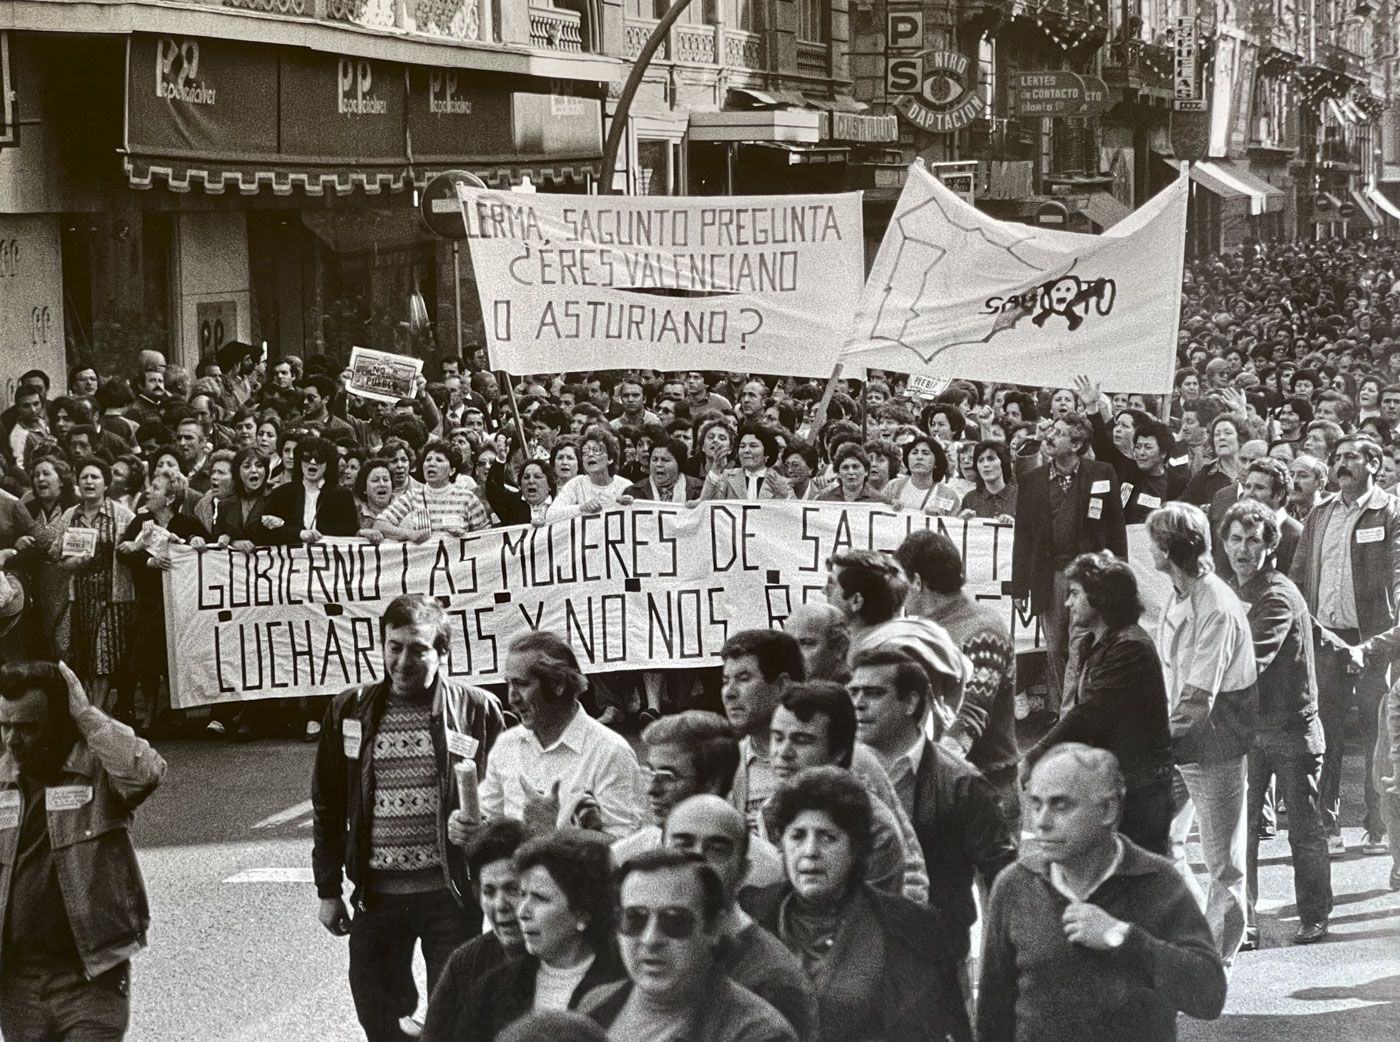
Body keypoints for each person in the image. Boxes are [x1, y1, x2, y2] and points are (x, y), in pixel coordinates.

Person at [311, 594, 506, 1042]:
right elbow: (329, 804)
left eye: (418, 649)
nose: (403, 661)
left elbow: (506, 795)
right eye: (394, 646)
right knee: (380, 1023)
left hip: (451, 896)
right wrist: (328, 890)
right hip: (376, 899)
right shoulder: (349, 709)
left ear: (442, 652)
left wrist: (488, 845)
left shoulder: (476, 709)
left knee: (451, 1025)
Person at [977, 744, 1227, 1042]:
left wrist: (1124, 938)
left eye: (1060, 805)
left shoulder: (1157, 882)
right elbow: (994, 1015)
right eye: (1035, 804)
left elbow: (1209, 996)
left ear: (1107, 810)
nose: (1041, 822)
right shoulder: (1015, 886)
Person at [0, 660, 167, 1042]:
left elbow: (146, 773)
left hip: (89, 976)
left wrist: (87, 714)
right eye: (5, 726)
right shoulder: (1, 775)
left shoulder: (97, 768)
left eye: (26, 728)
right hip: (19, 982)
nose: (12, 740)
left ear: (58, 723)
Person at [741, 767, 971, 1042]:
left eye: (827, 837)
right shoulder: (748, 918)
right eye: (797, 836)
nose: (810, 851)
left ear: (855, 848)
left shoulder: (913, 926)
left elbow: (949, 1028)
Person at [846, 647, 1014, 964]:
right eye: (853, 692)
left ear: (911, 702)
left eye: (874, 693)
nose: (858, 704)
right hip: (858, 957)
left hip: (938, 960)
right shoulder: (839, 770)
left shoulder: (961, 783)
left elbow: (1002, 879)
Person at [1218, 498, 1333, 947]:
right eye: (1235, 539)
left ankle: (1315, 914)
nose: (1243, 549)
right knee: (1240, 831)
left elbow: (1250, 660)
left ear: (1271, 546)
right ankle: (1243, 923)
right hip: (1249, 729)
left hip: (1291, 727)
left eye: (1253, 540)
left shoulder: (1278, 593)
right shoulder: (1231, 587)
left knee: (1303, 828)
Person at [1147, 502, 1258, 965]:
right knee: (1161, 840)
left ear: (1169, 549)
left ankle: (1219, 957)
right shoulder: (1178, 590)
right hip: (1181, 741)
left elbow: (1198, 697)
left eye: (1153, 540)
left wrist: (1154, 747)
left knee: (1223, 863)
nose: (1147, 548)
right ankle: (1196, 929)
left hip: (1213, 744)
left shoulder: (1216, 604)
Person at [1289, 434, 1399, 857]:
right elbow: (1299, 575)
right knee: (1327, 731)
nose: (1341, 465)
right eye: (1336, 459)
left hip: (1376, 639)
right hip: (1327, 638)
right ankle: (1328, 822)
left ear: (1374, 464)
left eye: (1351, 457)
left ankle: (1378, 824)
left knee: (1377, 732)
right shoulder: (1320, 513)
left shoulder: (1389, 511)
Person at [1023, 552, 1174, 856]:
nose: (1067, 603)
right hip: (1119, 788)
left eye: (1075, 594)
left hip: (1140, 794)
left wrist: (1033, 759)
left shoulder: (1129, 647)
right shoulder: (1097, 642)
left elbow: (1088, 715)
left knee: (1139, 885)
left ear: (1100, 598)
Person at [581, 850, 799, 1042]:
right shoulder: (595, 1005)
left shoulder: (758, 1033)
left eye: (675, 921)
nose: (650, 939)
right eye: (634, 919)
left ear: (713, 928)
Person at [663, 796, 818, 1039]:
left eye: (717, 849)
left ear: (743, 871)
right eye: (682, 844)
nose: (697, 858)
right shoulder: (643, 949)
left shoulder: (773, 981)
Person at [894, 529, 1021, 823]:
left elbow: (969, 715)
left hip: (985, 790)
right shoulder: (919, 630)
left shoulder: (982, 631)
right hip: (940, 788)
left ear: (916, 583)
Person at [473, 630, 645, 839]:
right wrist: (468, 826)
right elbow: (487, 820)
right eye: (509, 684)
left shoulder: (610, 751)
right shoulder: (506, 745)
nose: (512, 698)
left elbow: (626, 846)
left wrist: (553, 834)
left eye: (523, 684)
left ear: (558, 684)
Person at [456, 830, 624, 1042]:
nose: (522, 912)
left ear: (582, 912)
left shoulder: (626, 983)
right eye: (523, 894)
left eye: (539, 898)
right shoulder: (493, 989)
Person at [765, 682, 927, 901]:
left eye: (802, 740)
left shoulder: (874, 827)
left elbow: (872, 921)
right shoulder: (772, 809)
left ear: (838, 753)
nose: (783, 753)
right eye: (777, 738)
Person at [1012, 413, 1127, 715]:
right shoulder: (1032, 481)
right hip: (1049, 578)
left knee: (1079, 647)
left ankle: (1068, 716)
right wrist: (1019, 587)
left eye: (1059, 433)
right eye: (1051, 429)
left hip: (1088, 579)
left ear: (1076, 445)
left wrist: (1120, 577)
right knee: (1055, 648)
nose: (1050, 436)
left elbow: (1116, 528)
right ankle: (1064, 709)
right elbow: (1022, 537)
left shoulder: (1103, 473)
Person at [421, 821, 530, 1042]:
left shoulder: (560, 960)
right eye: (489, 892)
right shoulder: (466, 964)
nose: (500, 904)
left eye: (512, 889)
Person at [49, 458, 136, 713]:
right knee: (85, 655)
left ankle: (95, 712)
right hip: (81, 596)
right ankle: (93, 711)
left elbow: (140, 542)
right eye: (85, 477)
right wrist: (72, 562)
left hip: (114, 596)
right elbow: (56, 556)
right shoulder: (70, 515)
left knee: (103, 654)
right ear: (77, 483)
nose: (89, 482)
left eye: (95, 477)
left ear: (106, 484)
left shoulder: (121, 514)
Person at [611, 711, 740, 865]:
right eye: (650, 772)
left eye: (667, 776)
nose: (652, 789)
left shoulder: (761, 868)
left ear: (711, 784)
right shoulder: (624, 859)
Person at [376, 440, 489, 541]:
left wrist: (464, 537)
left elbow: (487, 538)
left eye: (439, 460)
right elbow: (380, 524)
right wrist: (410, 534)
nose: (431, 464)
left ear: (452, 470)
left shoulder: (468, 499)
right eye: (428, 459)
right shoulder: (412, 497)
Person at [701, 422, 795, 501]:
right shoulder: (727, 477)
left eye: (753, 446)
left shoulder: (781, 482)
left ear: (767, 453)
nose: (746, 450)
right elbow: (706, 505)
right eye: (742, 446)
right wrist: (715, 469)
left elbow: (796, 514)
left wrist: (785, 495)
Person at [786, 602, 851, 685]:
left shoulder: (860, 693)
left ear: (840, 648)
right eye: (789, 644)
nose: (792, 655)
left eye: (807, 644)